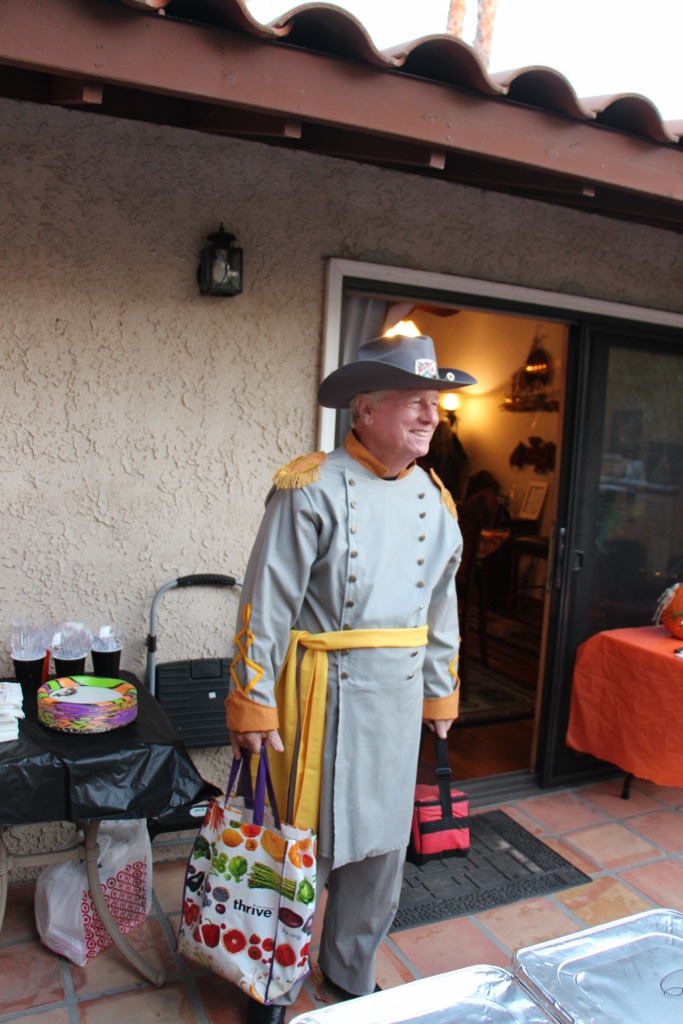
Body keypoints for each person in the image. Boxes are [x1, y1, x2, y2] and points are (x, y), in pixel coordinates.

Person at [225, 334, 475, 1024]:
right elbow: (264, 607)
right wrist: (253, 703)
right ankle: (270, 973)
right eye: (416, 403)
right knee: (299, 842)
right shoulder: (310, 487)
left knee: (383, 844)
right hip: (315, 698)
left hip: (395, 702)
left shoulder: (435, 497)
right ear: (364, 410)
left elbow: (439, 606)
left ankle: (347, 969)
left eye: (436, 405)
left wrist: (439, 691)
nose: (431, 417)